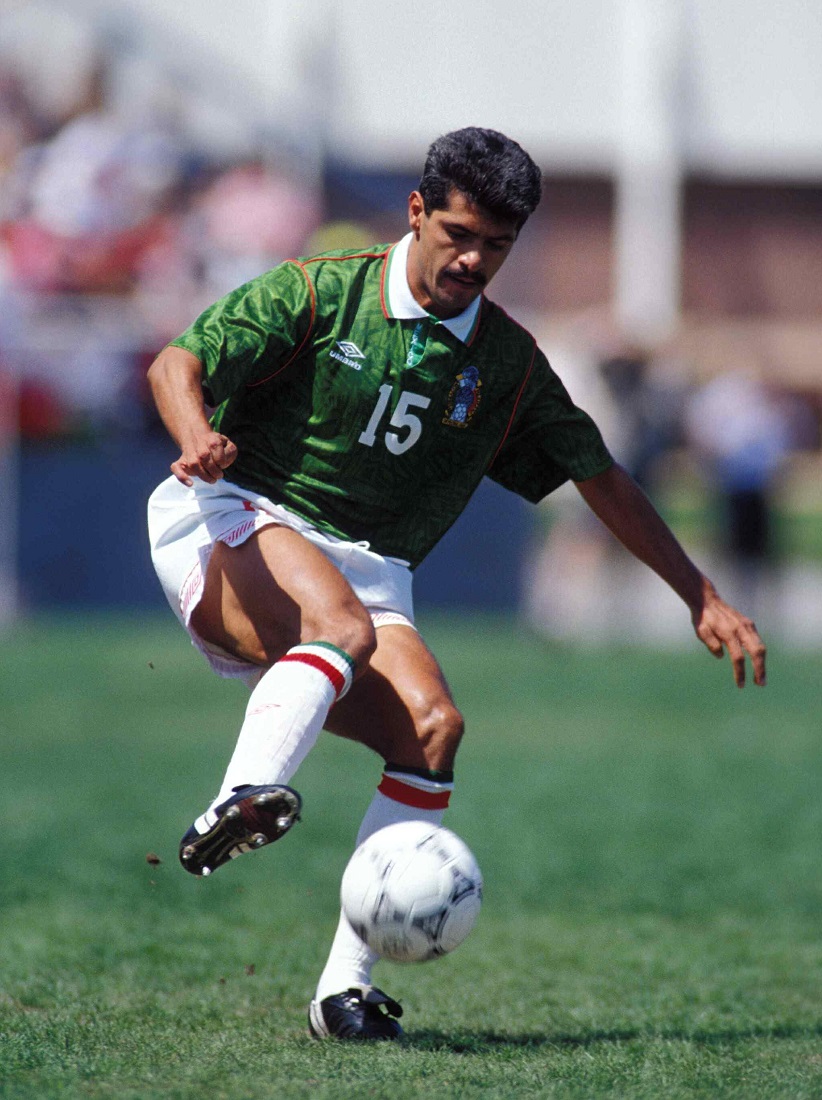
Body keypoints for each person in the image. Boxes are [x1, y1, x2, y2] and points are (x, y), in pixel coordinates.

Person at [146, 127, 766, 1042]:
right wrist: (198, 435)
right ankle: (239, 798)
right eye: (459, 234)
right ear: (417, 211)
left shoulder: (507, 366)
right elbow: (176, 363)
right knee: (341, 627)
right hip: (234, 513)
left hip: (369, 572)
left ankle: (342, 994)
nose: (475, 259)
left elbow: (599, 476)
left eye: (497, 245)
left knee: (434, 728)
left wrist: (698, 594)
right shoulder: (320, 292)